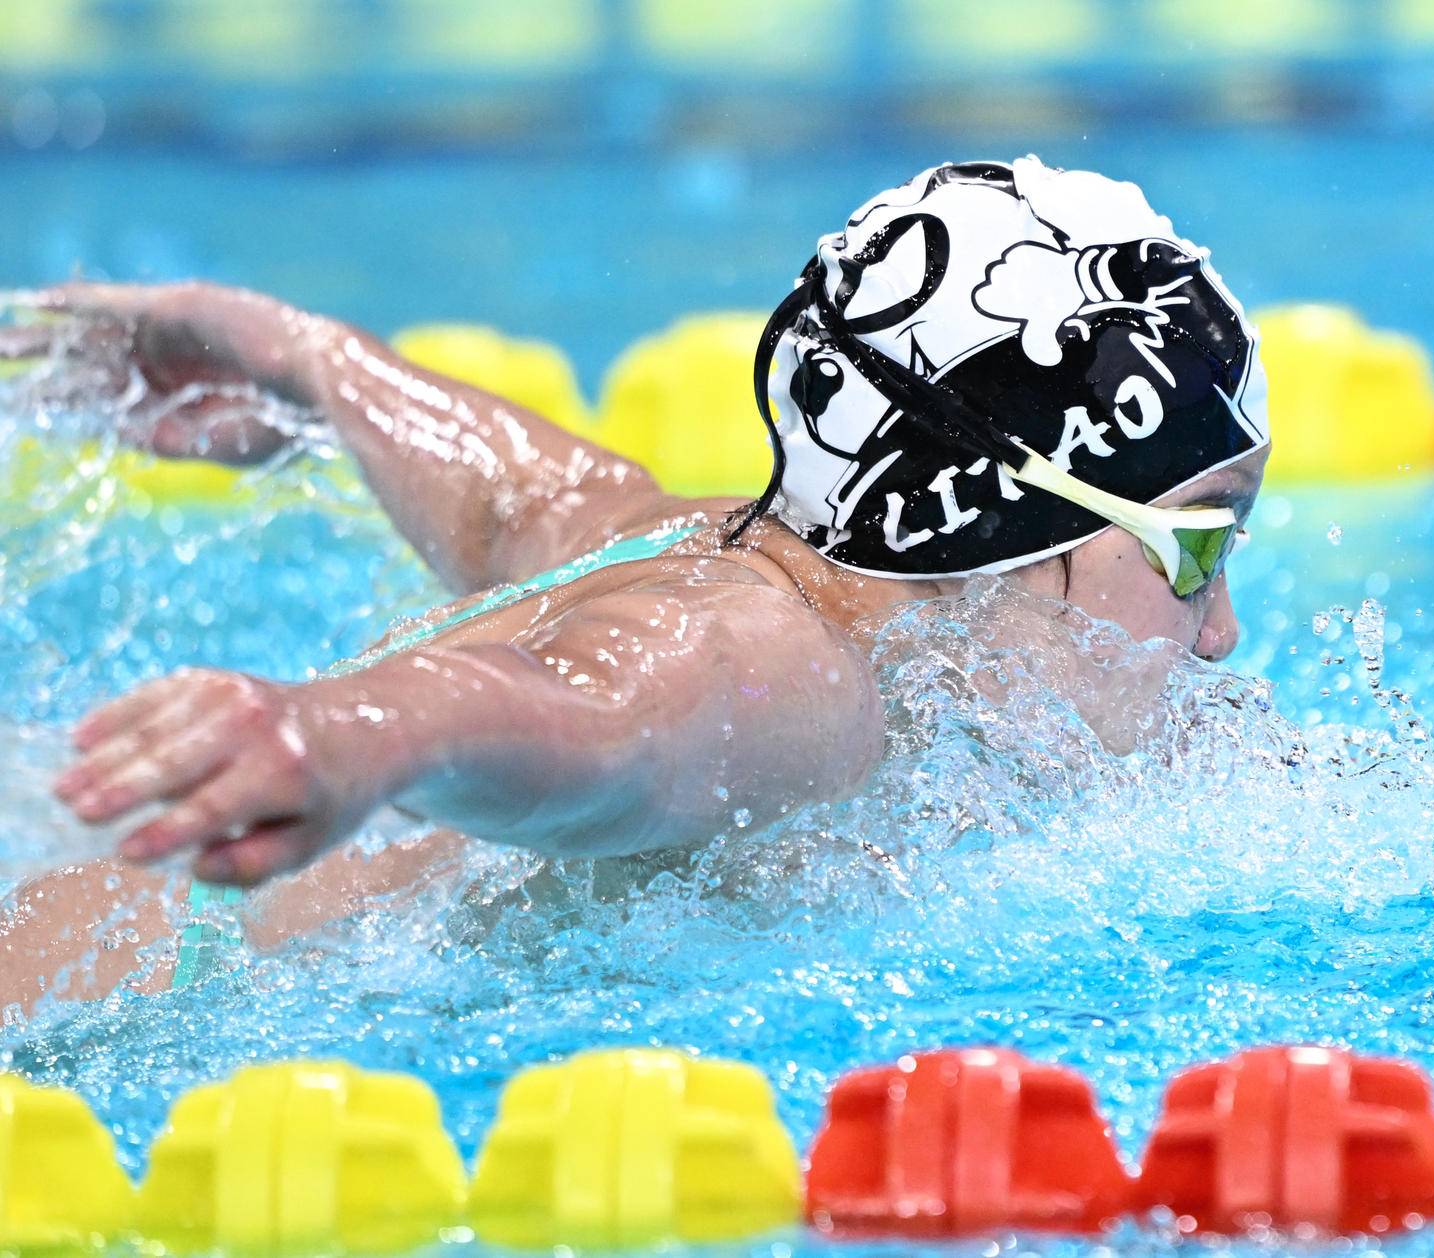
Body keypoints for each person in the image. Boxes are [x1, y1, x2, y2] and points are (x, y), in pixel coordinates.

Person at [0, 156, 1267, 1009]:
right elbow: (589, 716)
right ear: (999, 523)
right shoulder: (794, 678)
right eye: (1199, 543)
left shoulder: (721, 544)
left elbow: (530, 498)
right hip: (86, 1009)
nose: (1219, 629)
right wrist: (344, 734)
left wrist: (311, 360)